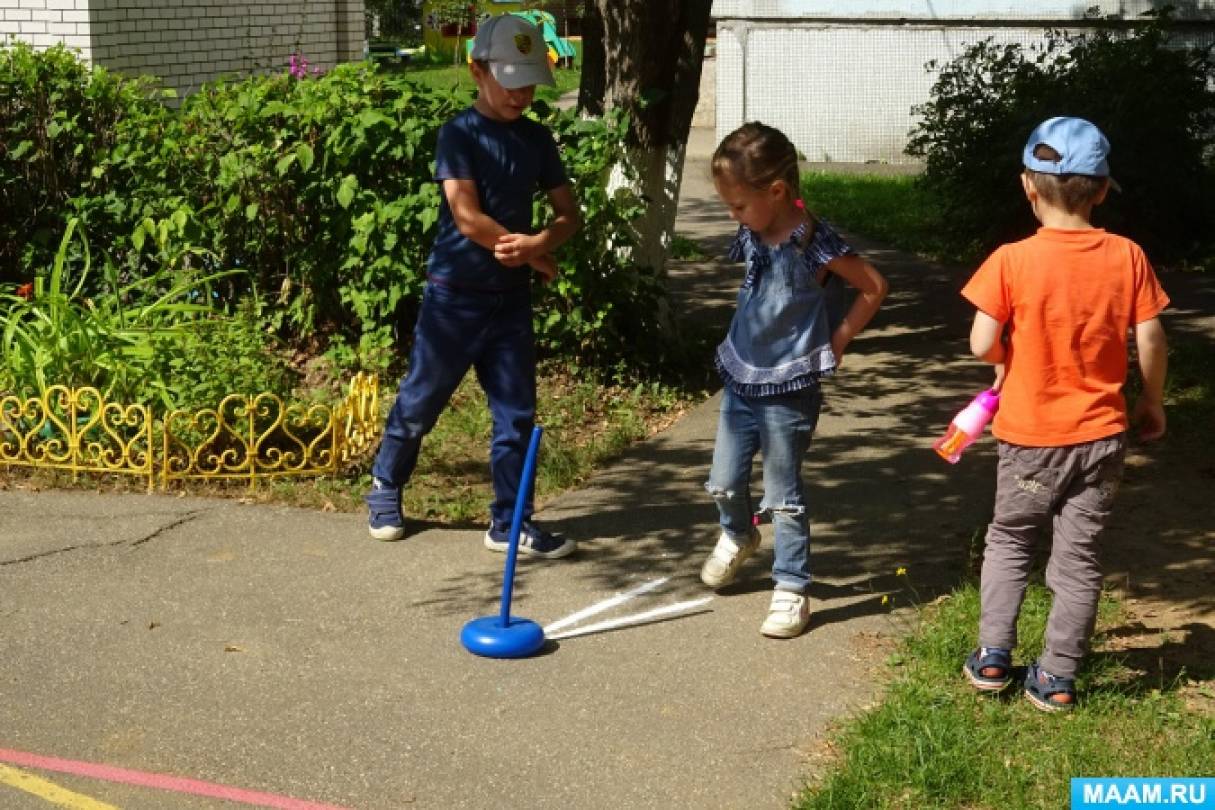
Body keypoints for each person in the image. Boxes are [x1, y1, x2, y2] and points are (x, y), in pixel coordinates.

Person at [959, 117, 1169, 711]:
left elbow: (980, 342)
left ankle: (994, 657)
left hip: (1028, 437)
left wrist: (1003, 360)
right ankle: (1057, 678)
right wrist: (1150, 400)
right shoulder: (1127, 256)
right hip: (1102, 435)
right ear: (1102, 190)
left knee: (1010, 542)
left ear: (1029, 186)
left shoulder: (1011, 260)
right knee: (1078, 557)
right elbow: (1150, 339)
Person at [364, 14, 579, 559]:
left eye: (530, 81)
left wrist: (540, 245)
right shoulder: (459, 134)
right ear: (477, 70)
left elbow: (567, 214)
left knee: (517, 417)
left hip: (509, 305)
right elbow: (466, 216)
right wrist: (528, 252)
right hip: (454, 298)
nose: (521, 93)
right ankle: (386, 485)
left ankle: (510, 523)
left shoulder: (537, 138)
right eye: (510, 81)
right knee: (420, 403)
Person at [701, 122, 889, 638]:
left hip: (790, 387)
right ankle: (738, 535)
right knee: (722, 482)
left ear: (778, 191)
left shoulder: (814, 241)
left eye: (738, 205)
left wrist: (839, 340)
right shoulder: (755, 227)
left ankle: (791, 588)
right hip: (741, 373)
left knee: (782, 494)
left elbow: (873, 287)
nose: (732, 216)